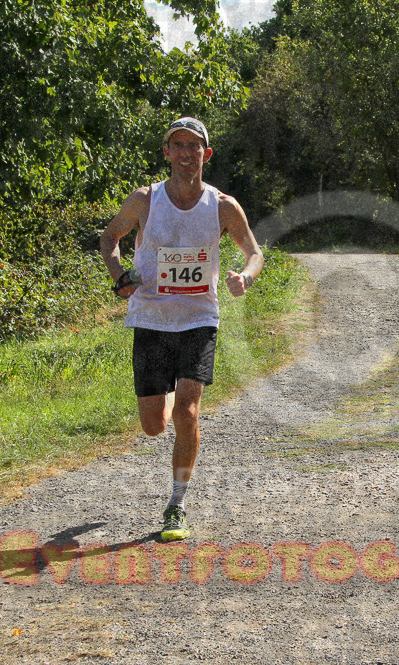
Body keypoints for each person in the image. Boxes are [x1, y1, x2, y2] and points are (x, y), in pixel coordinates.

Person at [100, 117, 263, 542]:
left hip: (198, 317)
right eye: (179, 145)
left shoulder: (223, 206)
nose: (187, 153)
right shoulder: (145, 200)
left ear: (206, 155)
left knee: (188, 413)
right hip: (151, 317)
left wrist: (245, 277)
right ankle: (169, 396)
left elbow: (254, 252)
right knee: (154, 425)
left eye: (195, 146)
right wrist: (119, 276)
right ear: (168, 152)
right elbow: (109, 237)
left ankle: (176, 504)